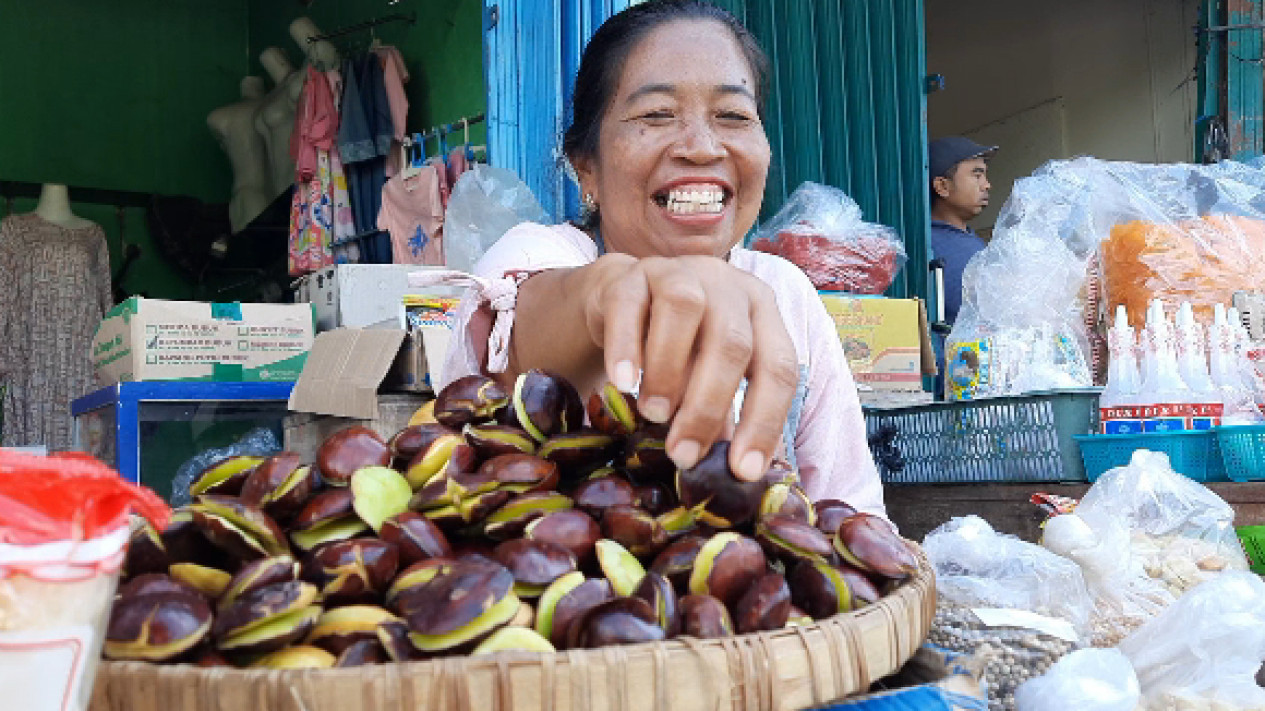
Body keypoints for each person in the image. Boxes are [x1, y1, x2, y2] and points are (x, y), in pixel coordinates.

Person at [432, 0, 885, 517]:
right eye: (656, 114)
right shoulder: (537, 253)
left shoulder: (785, 291)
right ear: (587, 170)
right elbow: (525, 332)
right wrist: (610, 295)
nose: (701, 147)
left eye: (733, 115)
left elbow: (852, 515)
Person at [928, 136, 996, 327]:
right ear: (942, 186)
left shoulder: (972, 241)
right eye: (977, 175)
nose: (987, 185)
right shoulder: (928, 244)